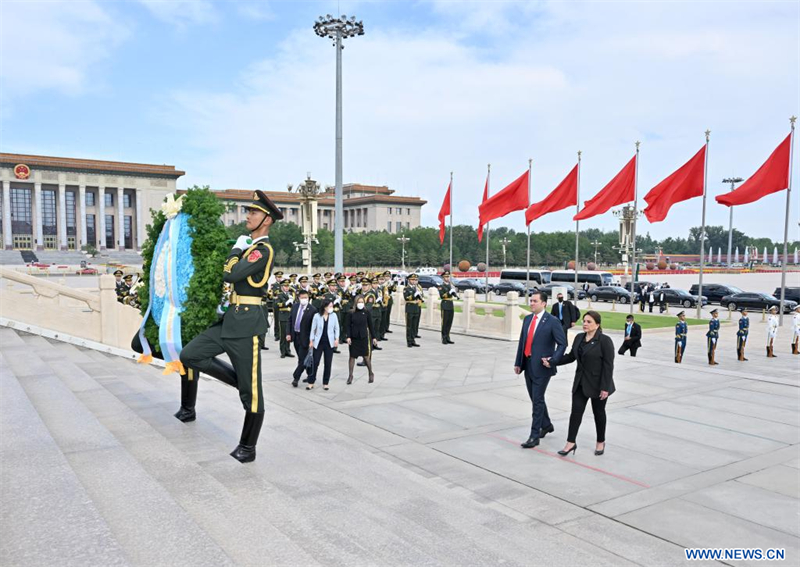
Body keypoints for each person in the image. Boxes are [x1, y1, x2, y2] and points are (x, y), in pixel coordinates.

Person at [179, 190, 281, 463]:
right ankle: (240, 381)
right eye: (248, 212)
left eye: (254, 212)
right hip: (230, 319)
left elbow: (231, 273)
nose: (248, 216)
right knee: (190, 355)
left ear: (267, 220)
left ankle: (248, 447)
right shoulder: (251, 249)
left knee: (253, 396)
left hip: (248, 326)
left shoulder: (262, 250)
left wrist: (236, 249)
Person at [555, 310, 615, 457]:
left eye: (589, 322)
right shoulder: (579, 338)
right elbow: (570, 357)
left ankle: (600, 442)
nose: (585, 324)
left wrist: (605, 388)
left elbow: (608, 366)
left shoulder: (605, 341)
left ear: (597, 325)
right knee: (575, 413)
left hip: (598, 385)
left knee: (599, 414)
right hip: (580, 383)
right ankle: (570, 443)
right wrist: (552, 361)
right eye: (584, 321)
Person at [514, 291, 567, 449]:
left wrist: (552, 360)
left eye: (535, 301)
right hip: (527, 365)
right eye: (530, 301)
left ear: (544, 303)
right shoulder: (528, 319)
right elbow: (522, 342)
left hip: (542, 367)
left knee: (537, 400)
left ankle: (534, 435)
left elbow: (562, 344)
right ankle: (547, 425)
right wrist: (518, 362)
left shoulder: (552, 321)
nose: (531, 303)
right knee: (535, 399)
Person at [307, 298, 340, 390]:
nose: (331, 308)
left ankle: (326, 382)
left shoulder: (334, 316)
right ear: (325, 307)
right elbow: (313, 329)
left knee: (328, 363)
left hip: (329, 343)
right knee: (315, 362)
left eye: (332, 306)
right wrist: (311, 340)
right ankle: (311, 381)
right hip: (319, 342)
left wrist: (336, 339)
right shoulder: (317, 316)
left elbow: (337, 328)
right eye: (330, 306)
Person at [287, 289, 317, 387]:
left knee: (303, 358)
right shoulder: (295, 307)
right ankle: (310, 375)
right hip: (295, 336)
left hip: (306, 337)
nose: (304, 299)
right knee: (301, 357)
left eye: (306, 298)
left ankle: (296, 377)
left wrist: (312, 339)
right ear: (298, 298)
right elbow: (290, 320)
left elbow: (314, 326)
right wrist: (288, 333)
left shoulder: (312, 309)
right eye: (302, 298)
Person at [347, 294, 378, 383]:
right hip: (354, 337)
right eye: (359, 302)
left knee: (366, 357)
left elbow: (371, 325)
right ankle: (350, 375)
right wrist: (348, 337)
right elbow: (348, 326)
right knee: (352, 357)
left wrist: (374, 337)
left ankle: (370, 373)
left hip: (364, 337)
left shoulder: (366, 312)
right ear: (355, 303)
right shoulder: (351, 313)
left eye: (362, 302)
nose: (360, 304)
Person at [275, 278, 295, 358]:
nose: (286, 287)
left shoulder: (291, 294)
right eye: (285, 286)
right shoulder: (279, 295)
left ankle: (288, 350)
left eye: (287, 286)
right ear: (282, 286)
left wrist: (292, 301)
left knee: (288, 334)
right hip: (283, 316)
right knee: (283, 335)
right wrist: (286, 303)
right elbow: (277, 304)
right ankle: (283, 351)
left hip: (290, 316)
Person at [438, 270, 458, 344]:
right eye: (446, 277)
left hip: (450, 304)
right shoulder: (441, 286)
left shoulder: (450, 285)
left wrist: (454, 291)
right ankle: (444, 338)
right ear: (443, 278)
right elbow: (442, 296)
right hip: (445, 304)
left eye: (448, 276)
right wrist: (448, 293)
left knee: (449, 322)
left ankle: (448, 337)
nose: (447, 278)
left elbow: (453, 293)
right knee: (445, 322)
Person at [404, 274, 424, 347]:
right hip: (410, 308)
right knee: (409, 326)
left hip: (416, 308)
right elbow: (406, 298)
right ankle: (409, 341)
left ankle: (413, 340)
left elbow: (420, 297)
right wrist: (414, 295)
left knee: (414, 326)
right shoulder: (406, 288)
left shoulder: (417, 288)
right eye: (412, 280)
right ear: (409, 280)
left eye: (416, 280)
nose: (414, 281)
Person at [270, 270, 284, 341]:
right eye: (278, 277)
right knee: (277, 319)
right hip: (276, 304)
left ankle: (283, 334)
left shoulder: (284, 284)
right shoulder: (274, 285)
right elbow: (274, 294)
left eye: (280, 277)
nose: (279, 278)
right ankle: (277, 334)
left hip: (283, 304)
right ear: (275, 277)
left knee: (283, 319)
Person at [382, 270, 395, 336]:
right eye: (386, 276)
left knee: (388, 314)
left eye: (388, 276)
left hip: (389, 299)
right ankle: (382, 328)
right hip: (383, 299)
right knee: (384, 314)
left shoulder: (390, 283)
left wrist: (392, 285)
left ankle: (387, 327)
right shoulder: (382, 283)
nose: (387, 278)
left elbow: (394, 290)